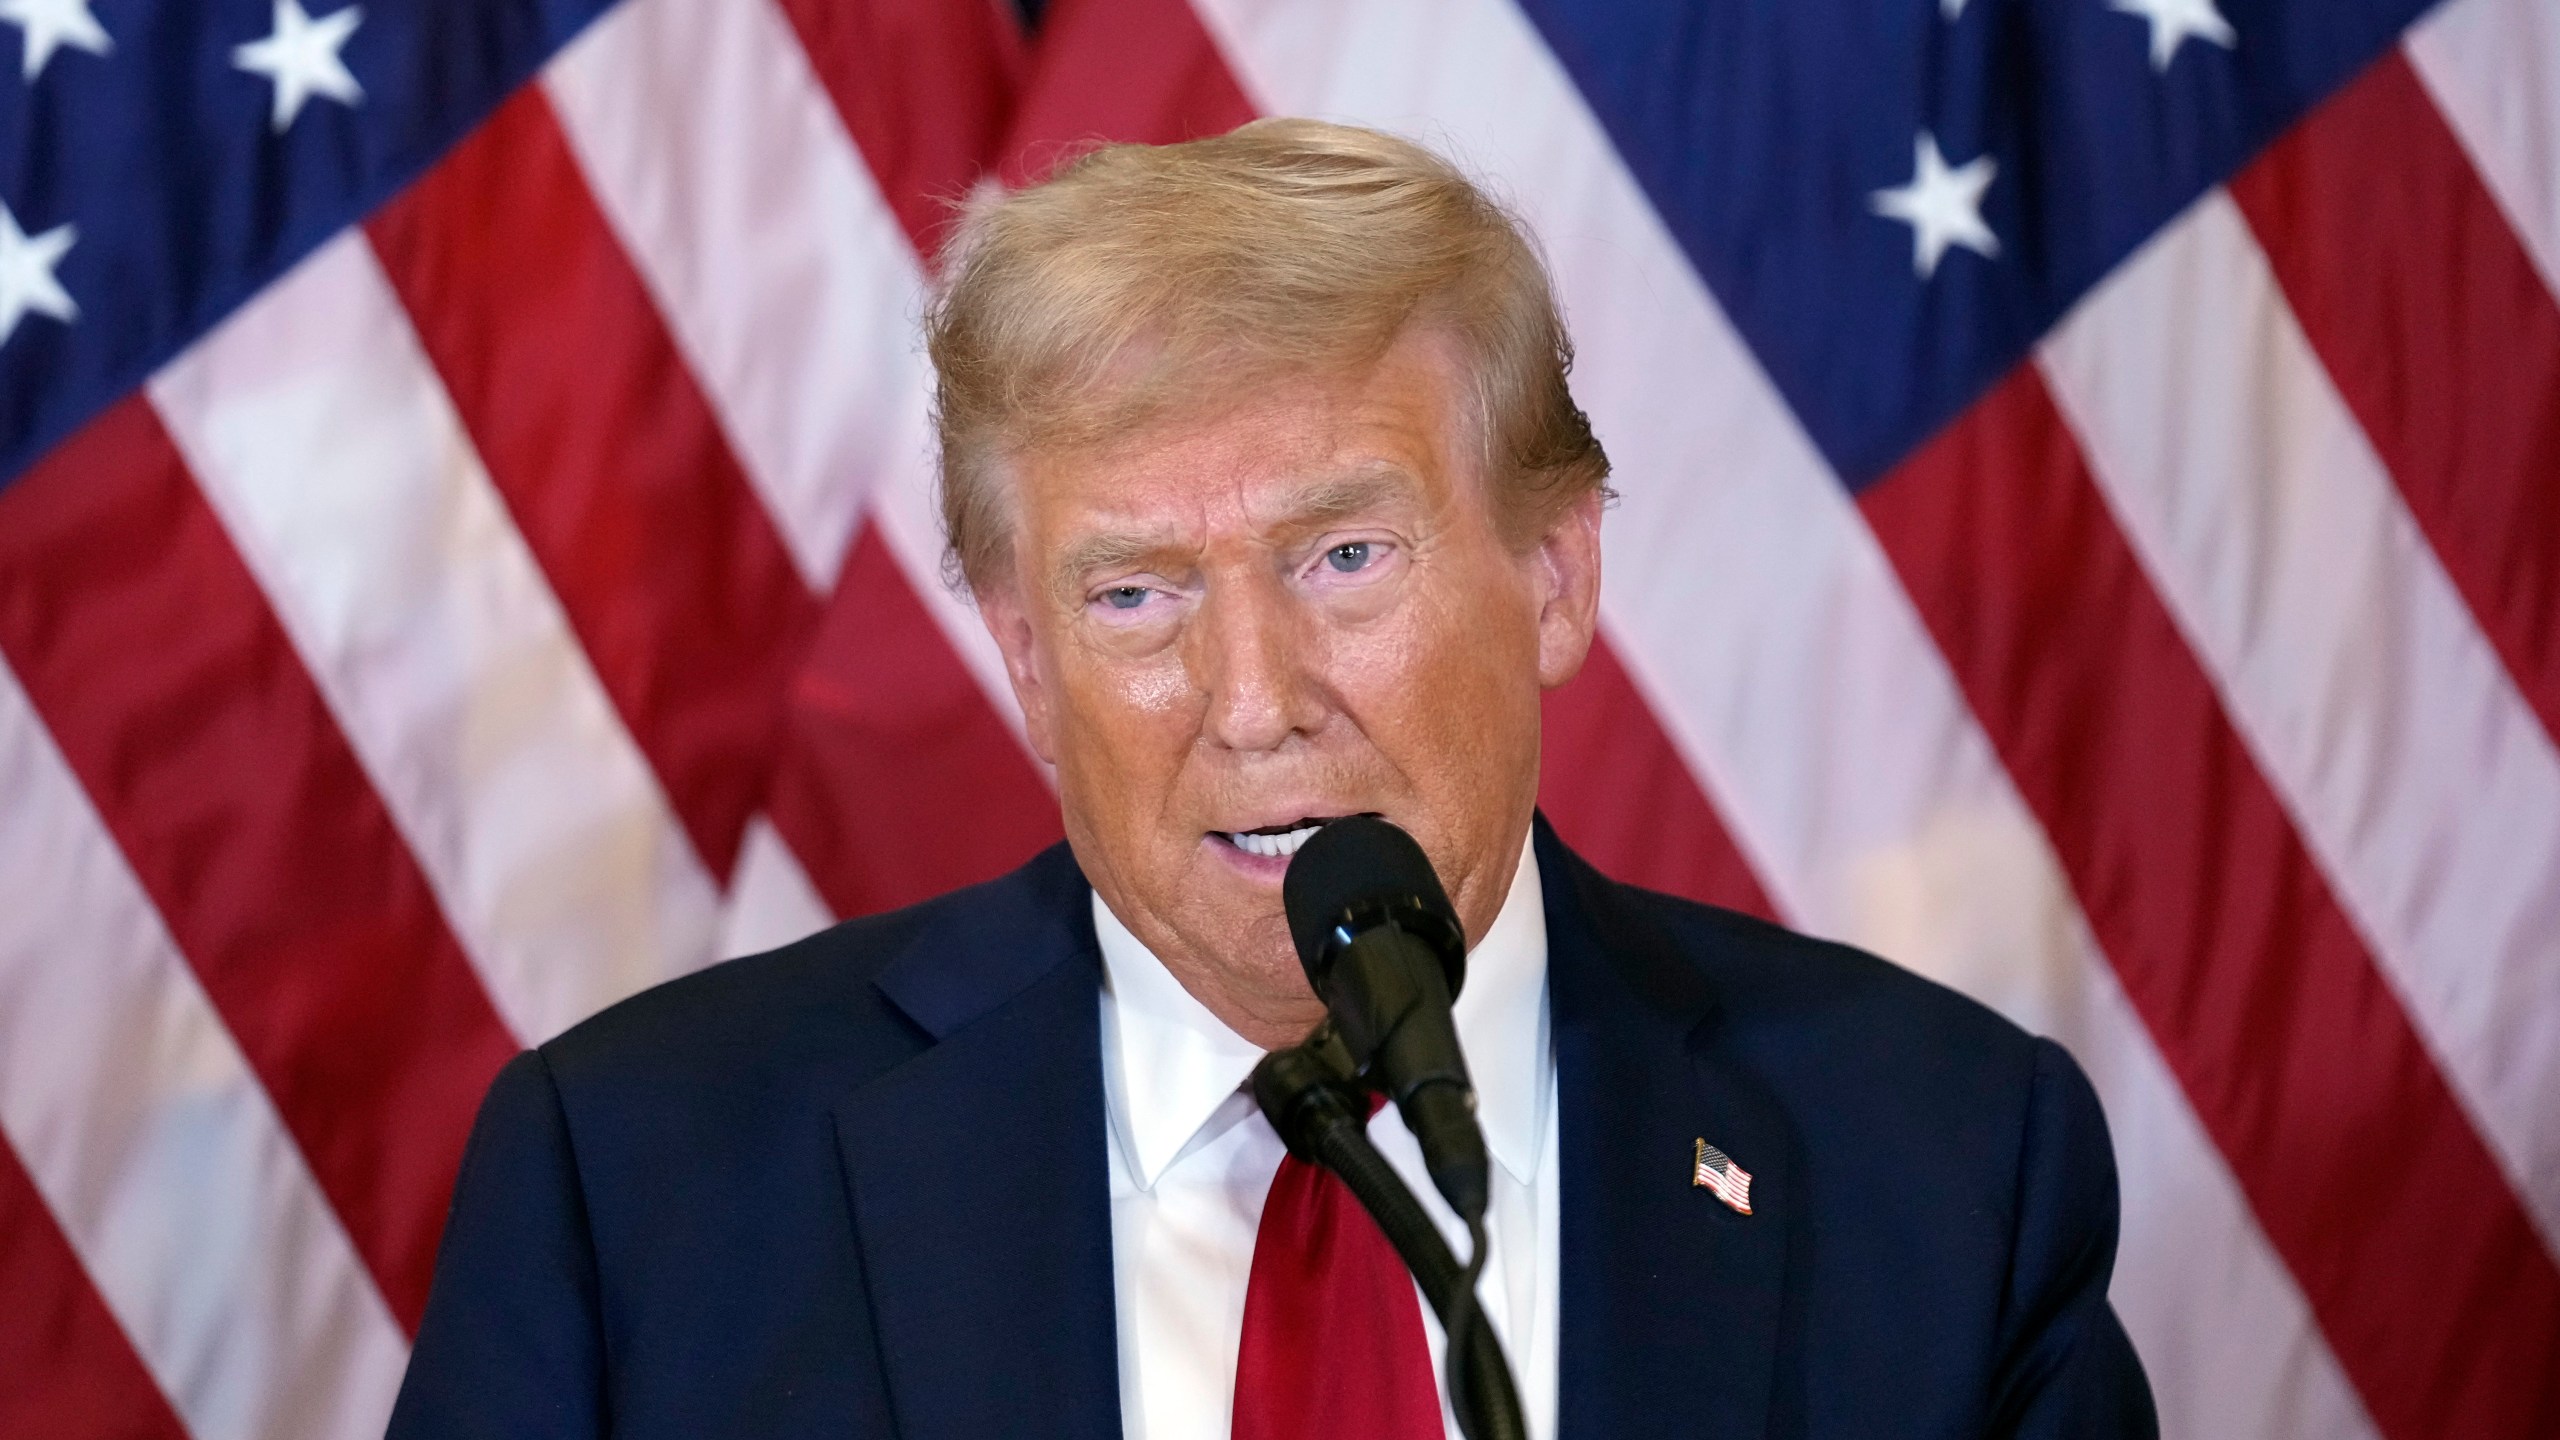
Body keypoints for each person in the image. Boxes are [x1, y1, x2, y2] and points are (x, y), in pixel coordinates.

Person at [386, 120, 2155, 1440]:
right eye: (1135, 593)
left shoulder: (1938, 1168)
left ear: (1556, 573)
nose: (1251, 703)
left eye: (1344, 559)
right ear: (1023, 657)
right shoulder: (637, 1190)